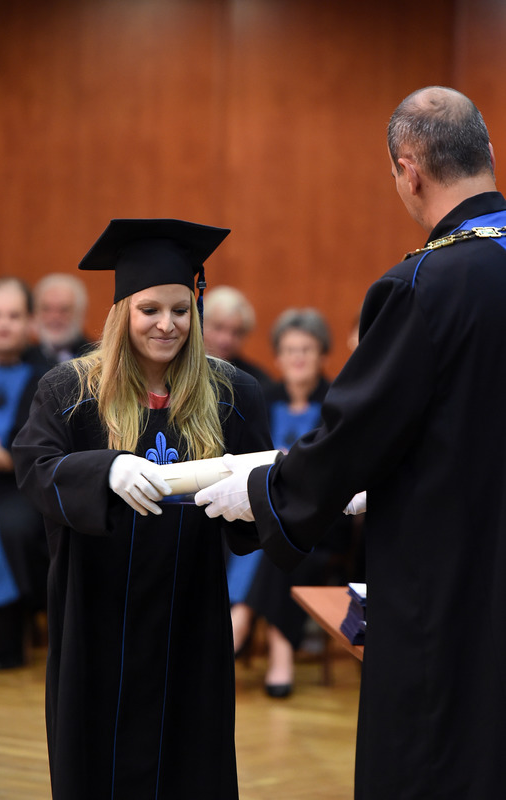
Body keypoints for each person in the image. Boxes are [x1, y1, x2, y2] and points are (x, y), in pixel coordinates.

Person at [195, 87, 506, 798]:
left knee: (437, 752)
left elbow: (352, 436)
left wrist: (263, 491)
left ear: (408, 171)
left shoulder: (424, 284)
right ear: (487, 154)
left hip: (451, 579)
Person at [12, 219, 273, 800]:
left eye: (181, 310)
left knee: (190, 761)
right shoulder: (71, 391)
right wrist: (103, 468)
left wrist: (275, 493)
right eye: (149, 309)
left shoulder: (233, 395)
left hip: (190, 615)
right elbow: (33, 468)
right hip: (96, 611)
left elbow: (257, 509)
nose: (167, 324)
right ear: (121, 313)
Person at [228, 308, 351, 697]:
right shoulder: (262, 399)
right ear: (277, 357)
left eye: (306, 349)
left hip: (323, 520)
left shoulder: (338, 403)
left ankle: (239, 624)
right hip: (261, 514)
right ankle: (278, 651)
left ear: (322, 355)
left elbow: (338, 473)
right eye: (289, 350)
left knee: (283, 539)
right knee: (265, 536)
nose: (297, 357)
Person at [0, 277, 52, 669]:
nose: (3, 324)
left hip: (20, 484)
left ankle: (10, 637)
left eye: (14, 316)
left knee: (12, 526)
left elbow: (51, 444)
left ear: (31, 323)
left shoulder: (49, 376)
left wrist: (5, 457)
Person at [203, 284, 274, 392]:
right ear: (201, 324)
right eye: (218, 328)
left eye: (236, 332)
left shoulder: (256, 382)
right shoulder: (182, 369)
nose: (226, 340)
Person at [33, 272, 92, 361]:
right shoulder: (22, 359)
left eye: (64, 310)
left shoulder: (95, 359)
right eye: (46, 309)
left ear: (79, 313)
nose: (54, 316)